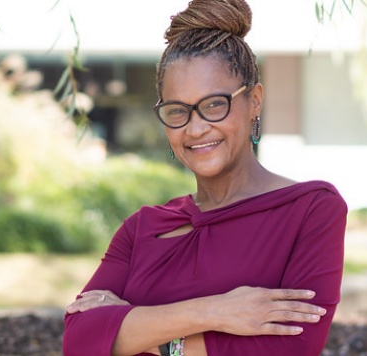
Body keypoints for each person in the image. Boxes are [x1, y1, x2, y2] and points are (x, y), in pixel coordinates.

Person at [62, 0, 347, 355]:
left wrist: (134, 329)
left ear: (254, 100)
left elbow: (292, 347)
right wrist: (214, 311)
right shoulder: (141, 228)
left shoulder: (310, 209)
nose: (196, 129)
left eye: (214, 104)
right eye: (177, 111)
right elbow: (79, 340)